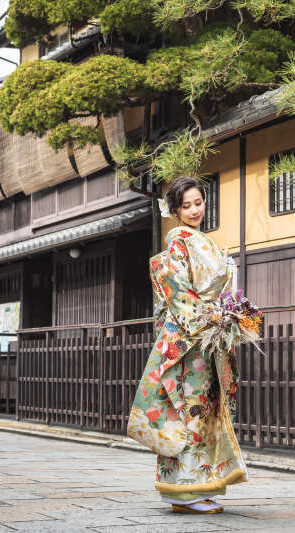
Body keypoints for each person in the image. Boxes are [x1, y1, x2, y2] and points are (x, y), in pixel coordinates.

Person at [127, 177, 248, 514]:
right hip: (189, 343)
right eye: (187, 205)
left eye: (199, 202)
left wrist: (228, 313)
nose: (195, 210)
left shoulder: (205, 243)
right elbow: (179, 294)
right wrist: (210, 317)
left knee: (205, 414)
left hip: (208, 341)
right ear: (176, 211)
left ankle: (195, 486)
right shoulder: (178, 243)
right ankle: (183, 492)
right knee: (187, 413)